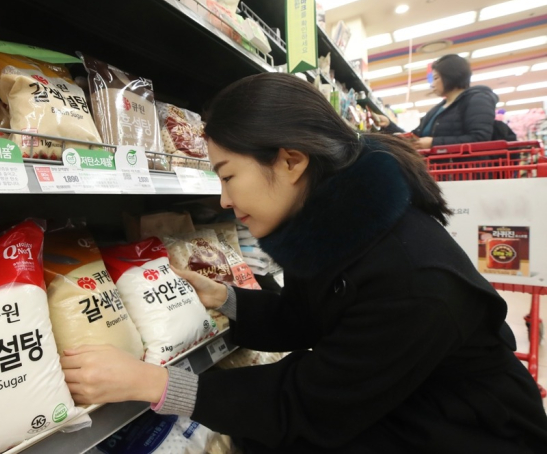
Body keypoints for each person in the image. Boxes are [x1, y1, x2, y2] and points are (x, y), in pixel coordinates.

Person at [61, 73, 547, 453]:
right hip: (402, 399)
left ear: (291, 161)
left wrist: (153, 381)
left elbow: (309, 404)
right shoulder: (333, 223)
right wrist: (226, 299)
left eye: (228, 176)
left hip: (466, 429)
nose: (225, 200)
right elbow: (311, 318)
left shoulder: (412, 278)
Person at [370, 54, 498, 150]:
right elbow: (414, 137)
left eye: (436, 78)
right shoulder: (437, 110)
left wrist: (433, 143)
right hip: (440, 170)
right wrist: (388, 125)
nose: (432, 84)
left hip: (466, 173)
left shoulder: (478, 99)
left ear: (451, 76)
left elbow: (480, 139)